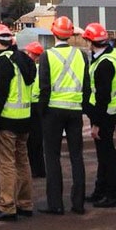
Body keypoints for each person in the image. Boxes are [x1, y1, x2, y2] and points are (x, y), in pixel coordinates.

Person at [38, 16, 90, 215]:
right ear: (70, 34)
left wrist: (41, 113)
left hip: (53, 111)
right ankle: (78, 204)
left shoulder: (47, 56)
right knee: (77, 157)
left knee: (52, 157)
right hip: (75, 111)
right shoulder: (81, 55)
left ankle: (56, 204)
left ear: (53, 32)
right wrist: (83, 108)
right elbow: (86, 86)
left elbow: (44, 88)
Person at [0, 24, 36, 221]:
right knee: (23, 161)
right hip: (25, 119)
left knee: (6, 164)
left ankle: (7, 206)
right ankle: (25, 203)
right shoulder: (23, 58)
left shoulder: (3, 62)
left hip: (7, 121)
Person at [84, 21, 116, 208]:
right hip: (110, 112)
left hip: (104, 115)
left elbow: (102, 96)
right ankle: (100, 191)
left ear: (91, 42)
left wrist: (96, 125)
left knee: (108, 156)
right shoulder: (113, 54)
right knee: (104, 156)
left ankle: (113, 195)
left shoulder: (104, 64)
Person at [23, 41, 46, 179]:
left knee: (32, 142)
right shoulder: (42, 68)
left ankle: (35, 169)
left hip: (32, 106)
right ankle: (39, 169)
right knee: (37, 142)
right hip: (39, 106)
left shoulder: (32, 68)